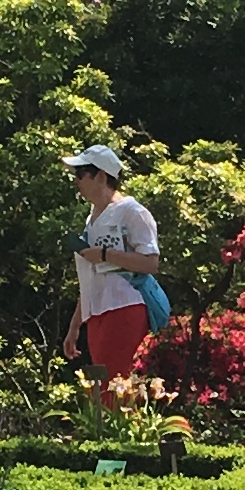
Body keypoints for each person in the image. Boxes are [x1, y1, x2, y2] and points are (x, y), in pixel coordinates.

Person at [61, 145, 162, 386]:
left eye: (81, 173)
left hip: (124, 306)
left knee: (114, 385)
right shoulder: (92, 218)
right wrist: (75, 325)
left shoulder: (132, 212)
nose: (76, 180)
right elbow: (91, 275)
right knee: (104, 387)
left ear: (101, 176)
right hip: (97, 312)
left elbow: (150, 262)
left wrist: (106, 254)